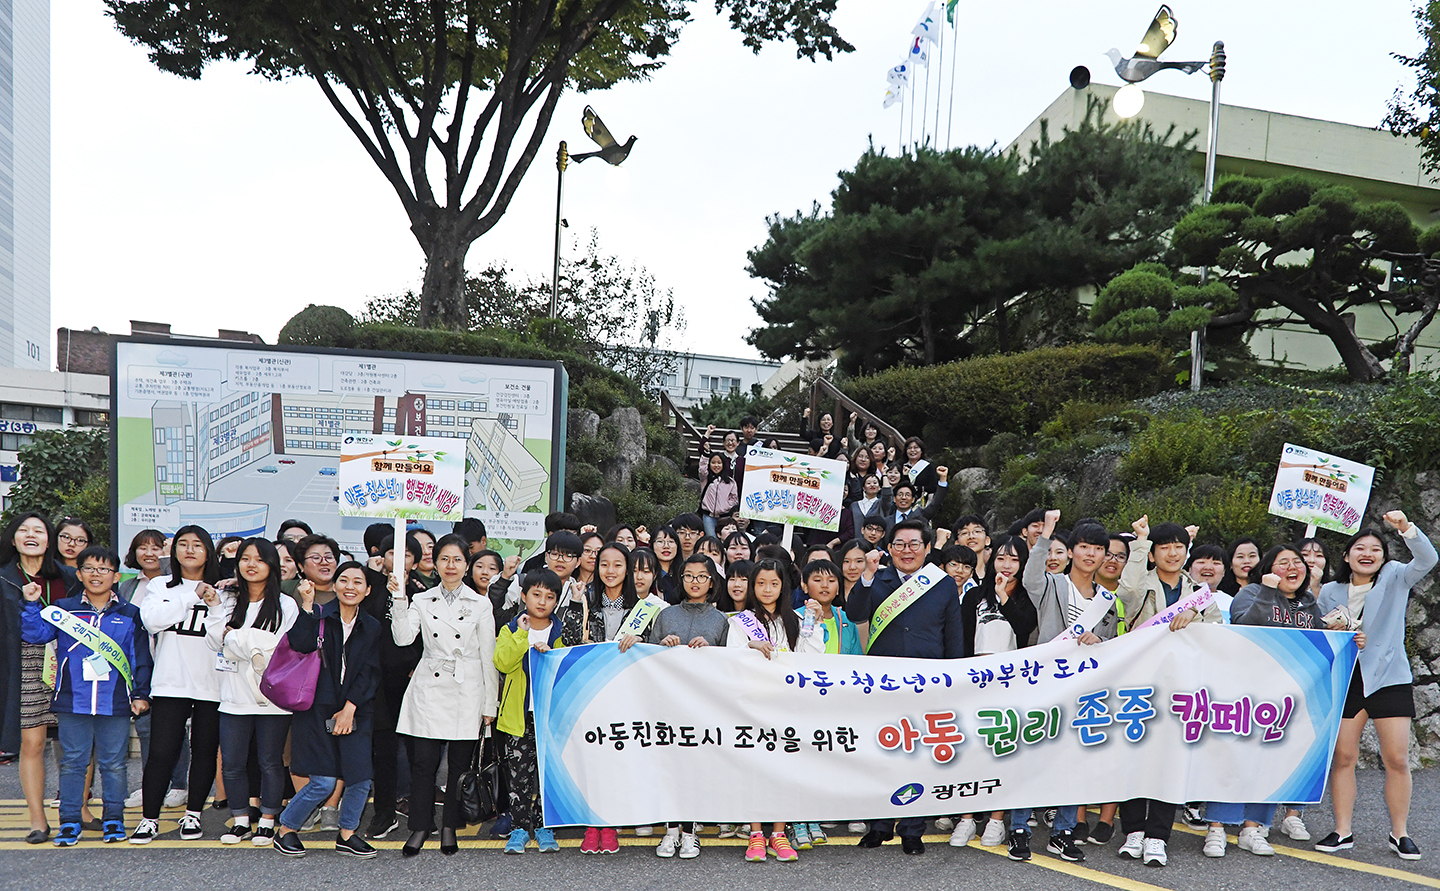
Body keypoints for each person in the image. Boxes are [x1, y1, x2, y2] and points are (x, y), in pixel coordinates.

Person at [1204, 544, 1363, 859]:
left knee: (1273, 760)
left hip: (1288, 699)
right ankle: (1217, 828)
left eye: (1298, 562)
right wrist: (1266, 590)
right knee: (1235, 757)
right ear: (1267, 569)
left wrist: (1349, 639)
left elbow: (1317, 646)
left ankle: (1253, 828)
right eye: (1283, 562)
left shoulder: (1308, 604)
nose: (1294, 567)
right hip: (1246, 695)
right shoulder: (1250, 594)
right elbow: (1244, 626)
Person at [1317, 511, 1436, 861]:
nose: (1367, 553)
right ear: (1346, 555)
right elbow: (1322, 635)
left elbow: (1428, 558)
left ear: (1384, 557)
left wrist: (1406, 529)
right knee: (1343, 757)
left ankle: (1400, 832)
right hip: (1347, 679)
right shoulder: (1329, 591)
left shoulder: (1397, 577)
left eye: (1375, 549)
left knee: (1397, 759)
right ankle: (1342, 830)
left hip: (1389, 678)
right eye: (1359, 547)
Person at [845, 520, 963, 855]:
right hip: (884, 682)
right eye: (899, 544)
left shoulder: (941, 585)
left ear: (927, 549)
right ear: (889, 548)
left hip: (927, 683)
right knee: (883, 754)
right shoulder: (876, 578)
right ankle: (879, 825)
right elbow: (855, 613)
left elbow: (952, 635)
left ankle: (912, 829)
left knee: (917, 758)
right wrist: (865, 576)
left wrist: (955, 679)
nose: (906, 550)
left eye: (914, 544)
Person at [21, 545, 150, 846]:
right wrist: (30, 605)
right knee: (73, 763)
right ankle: (69, 821)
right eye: (89, 568)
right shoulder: (64, 609)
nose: (96, 574)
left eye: (104, 569)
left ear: (116, 576)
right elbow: (35, 635)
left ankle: (114, 820)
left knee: (114, 764)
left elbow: (140, 658)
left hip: (115, 701)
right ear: (78, 573)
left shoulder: (130, 614)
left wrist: (141, 693)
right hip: (72, 700)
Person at [392, 533, 499, 856]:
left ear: (467, 565)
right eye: (444, 559)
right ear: (435, 563)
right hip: (429, 685)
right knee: (423, 763)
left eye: (457, 560)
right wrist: (399, 599)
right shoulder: (422, 600)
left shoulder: (481, 603)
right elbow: (402, 639)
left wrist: (489, 702)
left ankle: (450, 825)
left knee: (458, 765)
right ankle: (421, 826)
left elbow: (488, 656)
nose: (450, 566)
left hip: (467, 687)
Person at [273, 561, 383, 859]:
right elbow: (300, 643)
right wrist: (307, 606)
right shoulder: (319, 616)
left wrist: (350, 708)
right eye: (344, 580)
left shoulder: (372, 626)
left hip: (356, 708)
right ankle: (286, 829)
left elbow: (370, 672)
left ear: (367, 589)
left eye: (358, 582)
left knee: (359, 777)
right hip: (315, 707)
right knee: (322, 781)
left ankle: (347, 834)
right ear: (334, 586)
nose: (350, 587)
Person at [129, 527, 224, 844]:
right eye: (183, 544)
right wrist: (192, 595)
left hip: (212, 683)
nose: (190, 550)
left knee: (205, 752)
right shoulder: (159, 585)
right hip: (170, 682)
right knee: (161, 752)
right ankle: (149, 819)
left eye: (198, 544)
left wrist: (213, 601)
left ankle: (194, 814)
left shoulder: (223, 588)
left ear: (208, 552)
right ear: (174, 552)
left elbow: (225, 632)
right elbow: (152, 621)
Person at [202, 538, 300, 846]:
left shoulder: (286, 604)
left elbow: (276, 650)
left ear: (271, 565)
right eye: (245, 558)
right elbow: (214, 641)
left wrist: (237, 638)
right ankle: (242, 820)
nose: (251, 564)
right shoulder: (226, 600)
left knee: (270, 761)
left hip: (272, 698)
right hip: (233, 696)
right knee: (232, 762)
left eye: (259, 559)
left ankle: (268, 820)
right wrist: (236, 634)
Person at [728, 556, 823, 860]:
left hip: (787, 705)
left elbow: (811, 657)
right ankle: (756, 833)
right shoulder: (739, 621)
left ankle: (778, 833)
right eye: (761, 583)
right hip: (753, 705)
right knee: (755, 769)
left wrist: (816, 624)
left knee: (785, 770)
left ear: (783, 586)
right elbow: (728, 659)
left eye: (774, 583)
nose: (767, 589)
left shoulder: (795, 620)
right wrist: (749, 648)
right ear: (752, 587)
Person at [0, 511, 81, 844]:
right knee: (32, 743)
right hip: (22, 664)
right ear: (13, 538)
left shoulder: (70, 577)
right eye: (23, 530)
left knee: (76, 743)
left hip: (67, 663)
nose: (31, 535)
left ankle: (79, 812)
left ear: (50, 539)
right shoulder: (4, 577)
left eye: (39, 530)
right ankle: (38, 819)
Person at [952, 535, 1036, 849]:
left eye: (1014, 559)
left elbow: (1026, 627)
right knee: (971, 751)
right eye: (1001, 557)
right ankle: (966, 817)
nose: (1007, 565)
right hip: (975, 683)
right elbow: (962, 639)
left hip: (1012, 685)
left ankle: (997, 820)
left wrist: (1004, 598)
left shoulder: (1027, 596)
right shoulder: (975, 595)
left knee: (1002, 750)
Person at [496, 568, 566, 855]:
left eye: (550, 597)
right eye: (536, 594)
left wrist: (550, 652)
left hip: (551, 715)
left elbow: (569, 669)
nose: (542, 601)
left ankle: (544, 827)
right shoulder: (511, 629)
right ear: (523, 596)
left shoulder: (561, 631)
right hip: (518, 715)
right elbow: (502, 662)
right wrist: (522, 639)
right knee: (518, 775)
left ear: (556, 602)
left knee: (547, 775)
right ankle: (518, 828)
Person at [359, 534, 425, 839]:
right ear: (381, 556)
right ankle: (384, 812)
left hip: (413, 680)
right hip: (377, 681)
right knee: (382, 750)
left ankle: (418, 809)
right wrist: (373, 578)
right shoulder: (369, 587)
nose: (400, 559)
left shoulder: (422, 591)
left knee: (418, 750)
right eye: (392, 553)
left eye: (407, 554)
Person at [118, 529, 188, 812]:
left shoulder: (174, 583)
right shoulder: (127, 588)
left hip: (171, 662)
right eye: (142, 547)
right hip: (138, 664)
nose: (149, 553)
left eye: (156, 547)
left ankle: (180, 785)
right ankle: (151, 786)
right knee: (146, 728)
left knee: (174, 728)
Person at [285, 534, 341, 607]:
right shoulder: (286, 589)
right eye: (316, 558)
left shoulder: (344, 592)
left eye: (329, 557)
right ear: (301, 566)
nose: (324, 562)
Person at [698, 453, 740, 538]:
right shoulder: (706, 478)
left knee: (726, 539)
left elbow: (734, 499)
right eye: (713, 462)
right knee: (712, 538)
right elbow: (702, 470)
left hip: (724, 516)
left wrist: (724, 508)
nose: (716, 465)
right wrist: (705, 454)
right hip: (708, 516)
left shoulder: (730, 482)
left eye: (719, 463)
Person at [650, 526, 682, 603]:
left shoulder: (683, 574)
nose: (666, 546)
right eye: (660, 542)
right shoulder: (648, 575)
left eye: (671, 542)